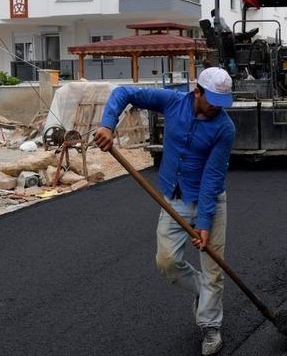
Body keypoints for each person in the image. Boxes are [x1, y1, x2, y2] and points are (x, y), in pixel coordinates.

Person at [94, 67, 236, 356]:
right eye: (212, 102)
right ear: (197, 92)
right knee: (167, 262)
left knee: (213, 268)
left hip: (210, 201)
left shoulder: (224, 128)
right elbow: (124, 92)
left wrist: (205, 223)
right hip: (175, 198)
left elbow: (211, 179)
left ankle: (210, 325)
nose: (217, 110)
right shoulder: (172, 102)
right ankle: (202, 290)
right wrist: (108, 125)